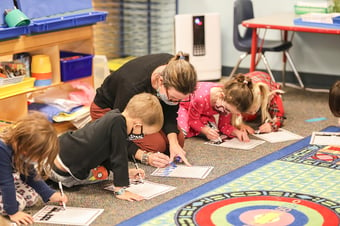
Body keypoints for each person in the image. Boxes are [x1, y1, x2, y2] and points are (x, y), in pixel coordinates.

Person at [90, 52, 197, 168]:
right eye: (173, 98)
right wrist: (145, 156)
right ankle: (98, 131)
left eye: (179, 100)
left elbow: (170, 111)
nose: (175, 102)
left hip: (147, 112)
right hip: (109, 111)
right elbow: (118, 129)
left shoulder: (173, 67)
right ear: (161, 81)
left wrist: (174, 143)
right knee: (157, 145)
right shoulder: (132, 86)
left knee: (179, 139)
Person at [50, 93, 164, 202]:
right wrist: (120, 190)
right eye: (143, 133)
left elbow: (105, 151)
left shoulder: (113, 117)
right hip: (64, 174)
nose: (142, 137)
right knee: (103, 174)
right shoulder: (119, 125)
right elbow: (119, 156)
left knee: (104, 167)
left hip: (55, 153)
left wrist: (126, 172)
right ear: (137, 125)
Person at [0, 112, 68, 225]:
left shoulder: (22, 145)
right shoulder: (2, 149)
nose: (36, 161)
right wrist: (13, 212)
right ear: (24, 149)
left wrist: (50, 194)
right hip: (3, 179)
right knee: (18, 203)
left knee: (32, 196)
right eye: (37, 157)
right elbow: (6, 183)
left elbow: (29, 174)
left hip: (4, 177)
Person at [177, 75, 253, 143]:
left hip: (202, 113)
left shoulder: (227, 102)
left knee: (214, 131)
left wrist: (236, 132)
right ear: (221, 96)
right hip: (185, 107)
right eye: (228, 110)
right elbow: (193, 120)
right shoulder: (201, 98)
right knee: (183, 131)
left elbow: (224, 126)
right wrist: (205, 130)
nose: (227, 113)